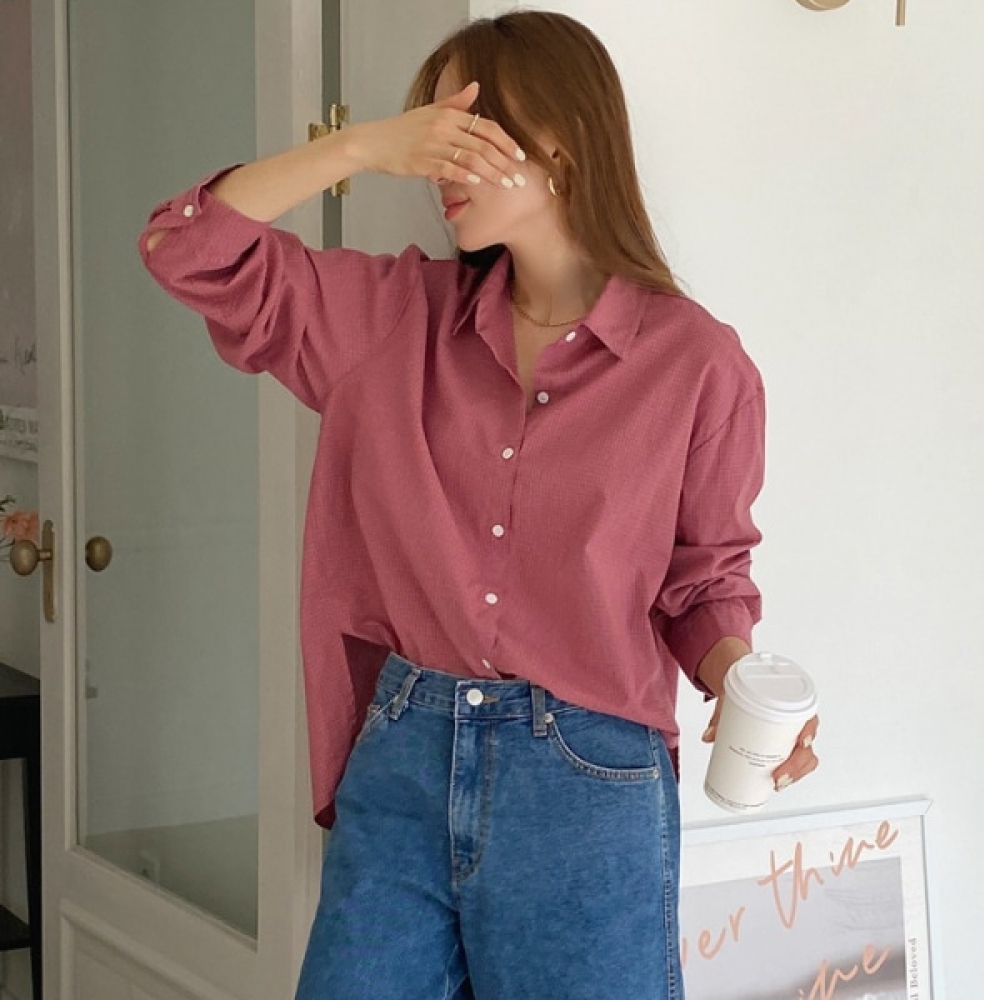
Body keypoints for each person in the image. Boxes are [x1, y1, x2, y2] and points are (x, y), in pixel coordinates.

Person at [139, 10, 819, 999]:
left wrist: (742, 683)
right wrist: (360, 147)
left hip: (588, 778)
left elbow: (702, 580)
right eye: (431, 132)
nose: (436, 163)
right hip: (403, 759)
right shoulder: (391, 322)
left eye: (463, 127)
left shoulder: (698, 365)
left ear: (558, 141)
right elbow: (183, 248)